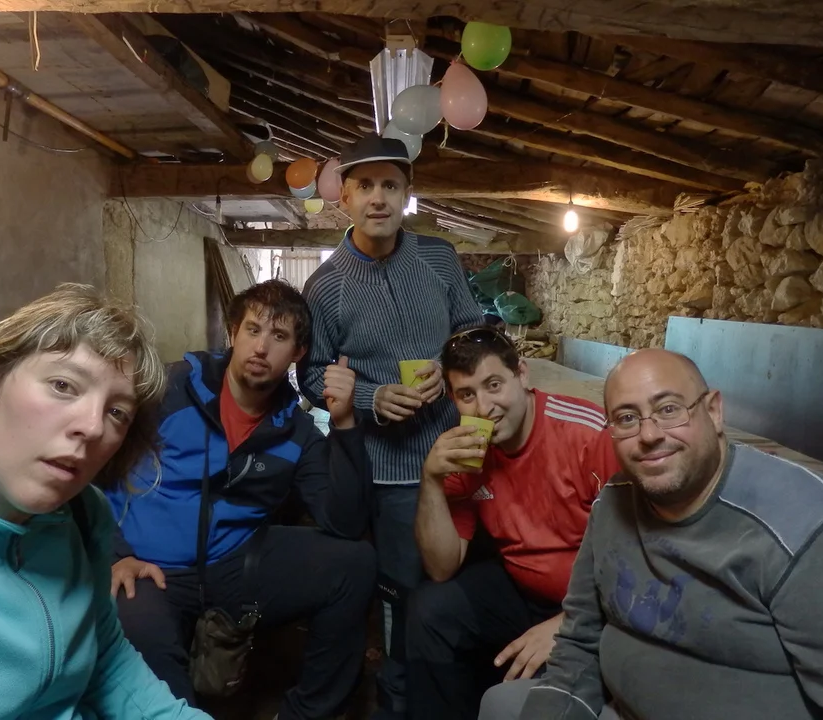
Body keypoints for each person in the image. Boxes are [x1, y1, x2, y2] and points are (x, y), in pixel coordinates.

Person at [482, 348, 823, 720]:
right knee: (499, 703)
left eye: (668, 409)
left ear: (714, 411)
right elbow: (580, 638)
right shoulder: (613, 503)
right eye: (627, 418)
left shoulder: (811, 533)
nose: (649, 434)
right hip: (621, 703)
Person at [0, 283, 214, 719]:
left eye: (117, 412)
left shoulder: (84, 514)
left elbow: (106, 660)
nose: (93, 426)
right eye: (63, 385)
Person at [107, 279, 376, 720]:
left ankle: (306, 714)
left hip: (234, 564)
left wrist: (345, 423)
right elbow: (97, 467)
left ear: (298, 352)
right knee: (145, 646)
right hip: (148, 566)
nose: (261, 347)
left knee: (355, 563)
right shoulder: (169, 390)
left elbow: (343, 523)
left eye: (279, 336)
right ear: (233, 332)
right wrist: (114, 553)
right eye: (253, 329)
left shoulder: (296, 431)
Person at [300, 133, 483, 719]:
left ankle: (465, 693)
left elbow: (472, 331)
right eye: (365, 186)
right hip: (391, 468)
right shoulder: (325, 286)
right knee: (407, 590)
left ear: (407, 195)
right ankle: (401, 701)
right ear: (344, 198)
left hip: (461, 446)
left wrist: (448, 367)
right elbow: (311, 376)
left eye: (390, 185)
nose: (378, 198)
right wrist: (373, 397)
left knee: (471, 575)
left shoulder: (440, 258)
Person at [408, 325, 620, 720]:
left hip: (595, 604)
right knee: (430, 609)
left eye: (494, 385)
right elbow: (440, 567)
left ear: (522, 375)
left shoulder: (589, 436)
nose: (484, 407)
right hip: (522, 590)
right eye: (467, 394)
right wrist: (431, 480)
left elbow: (639, 558)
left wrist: (570, 622)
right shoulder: (467, 450)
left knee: (537, 694)